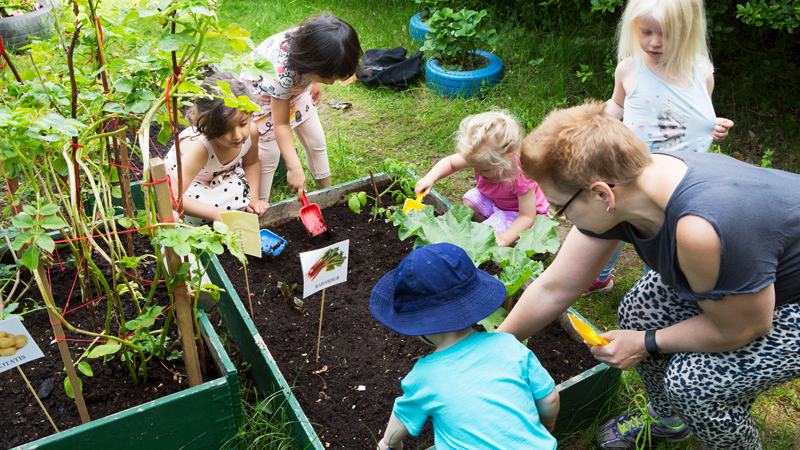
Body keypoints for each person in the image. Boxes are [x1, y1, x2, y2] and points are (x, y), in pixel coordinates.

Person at [497, 101, 800, 449]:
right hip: (749, 280)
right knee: (639, 312)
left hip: (782, 301)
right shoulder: (630, 183)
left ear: (601, 194)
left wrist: (646, 343)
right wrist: (495, 346)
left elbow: (743, 328)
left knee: (695, 385)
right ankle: (669, 421)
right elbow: (555, 287)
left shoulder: (700, 228)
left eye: (559, 207)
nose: (555, 215)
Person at [586, 0, 736, 293]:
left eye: (666, 34)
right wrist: (593, 124)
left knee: (662, 232)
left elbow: (697, 116)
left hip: (677, 176)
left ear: (688, 31)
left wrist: (716, 128)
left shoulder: (700, 72)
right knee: (614, 220)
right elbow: (617, 105)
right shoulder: (630, 69)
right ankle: (601, 275)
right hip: (631, 167)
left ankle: (649, 287)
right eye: (646, 32)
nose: (654, 42)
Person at [371, 242, 559, 450]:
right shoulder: (509, 345)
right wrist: (547, 426)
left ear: (418, 327)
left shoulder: (423, 378)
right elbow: (549, 398)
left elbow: (394, 433)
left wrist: (387, 444)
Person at [242, 13, 362, 201]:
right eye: (326, 76)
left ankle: (328, 197)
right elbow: (280, 124)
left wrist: (317, 82)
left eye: (334, 77)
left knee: (316, 141)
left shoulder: (318, 42)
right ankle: (258, 205)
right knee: (269, 156)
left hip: (294, 89)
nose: (331, 83)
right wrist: (293, 167)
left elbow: (320, 66)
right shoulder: (283, 69)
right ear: (312, 62)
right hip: (262, 96)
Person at [414, 111, 550, 247]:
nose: (478, 171)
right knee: (470, 200)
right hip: (499, 204)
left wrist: (505, 238)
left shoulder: (520, 176)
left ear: (507, 158)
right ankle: (494, 228)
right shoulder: (479, 155)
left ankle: (510, 241)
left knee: (490, 235)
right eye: (473, 166)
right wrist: (429, 178)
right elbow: (450, 162)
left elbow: (526, 217)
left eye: (484, 170)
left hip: (523, 215)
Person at [164, 72, 268, 226]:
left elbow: (251, 163)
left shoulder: (251, 132)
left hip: (216, 178)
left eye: (243, 124)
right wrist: (215, 214)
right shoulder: (200, 148)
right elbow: (171, 195)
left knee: (240, 193)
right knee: (190, 221)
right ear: (208, 126)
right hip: (186, 187)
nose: (237, 135)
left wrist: (253, 199)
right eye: (226, 129)